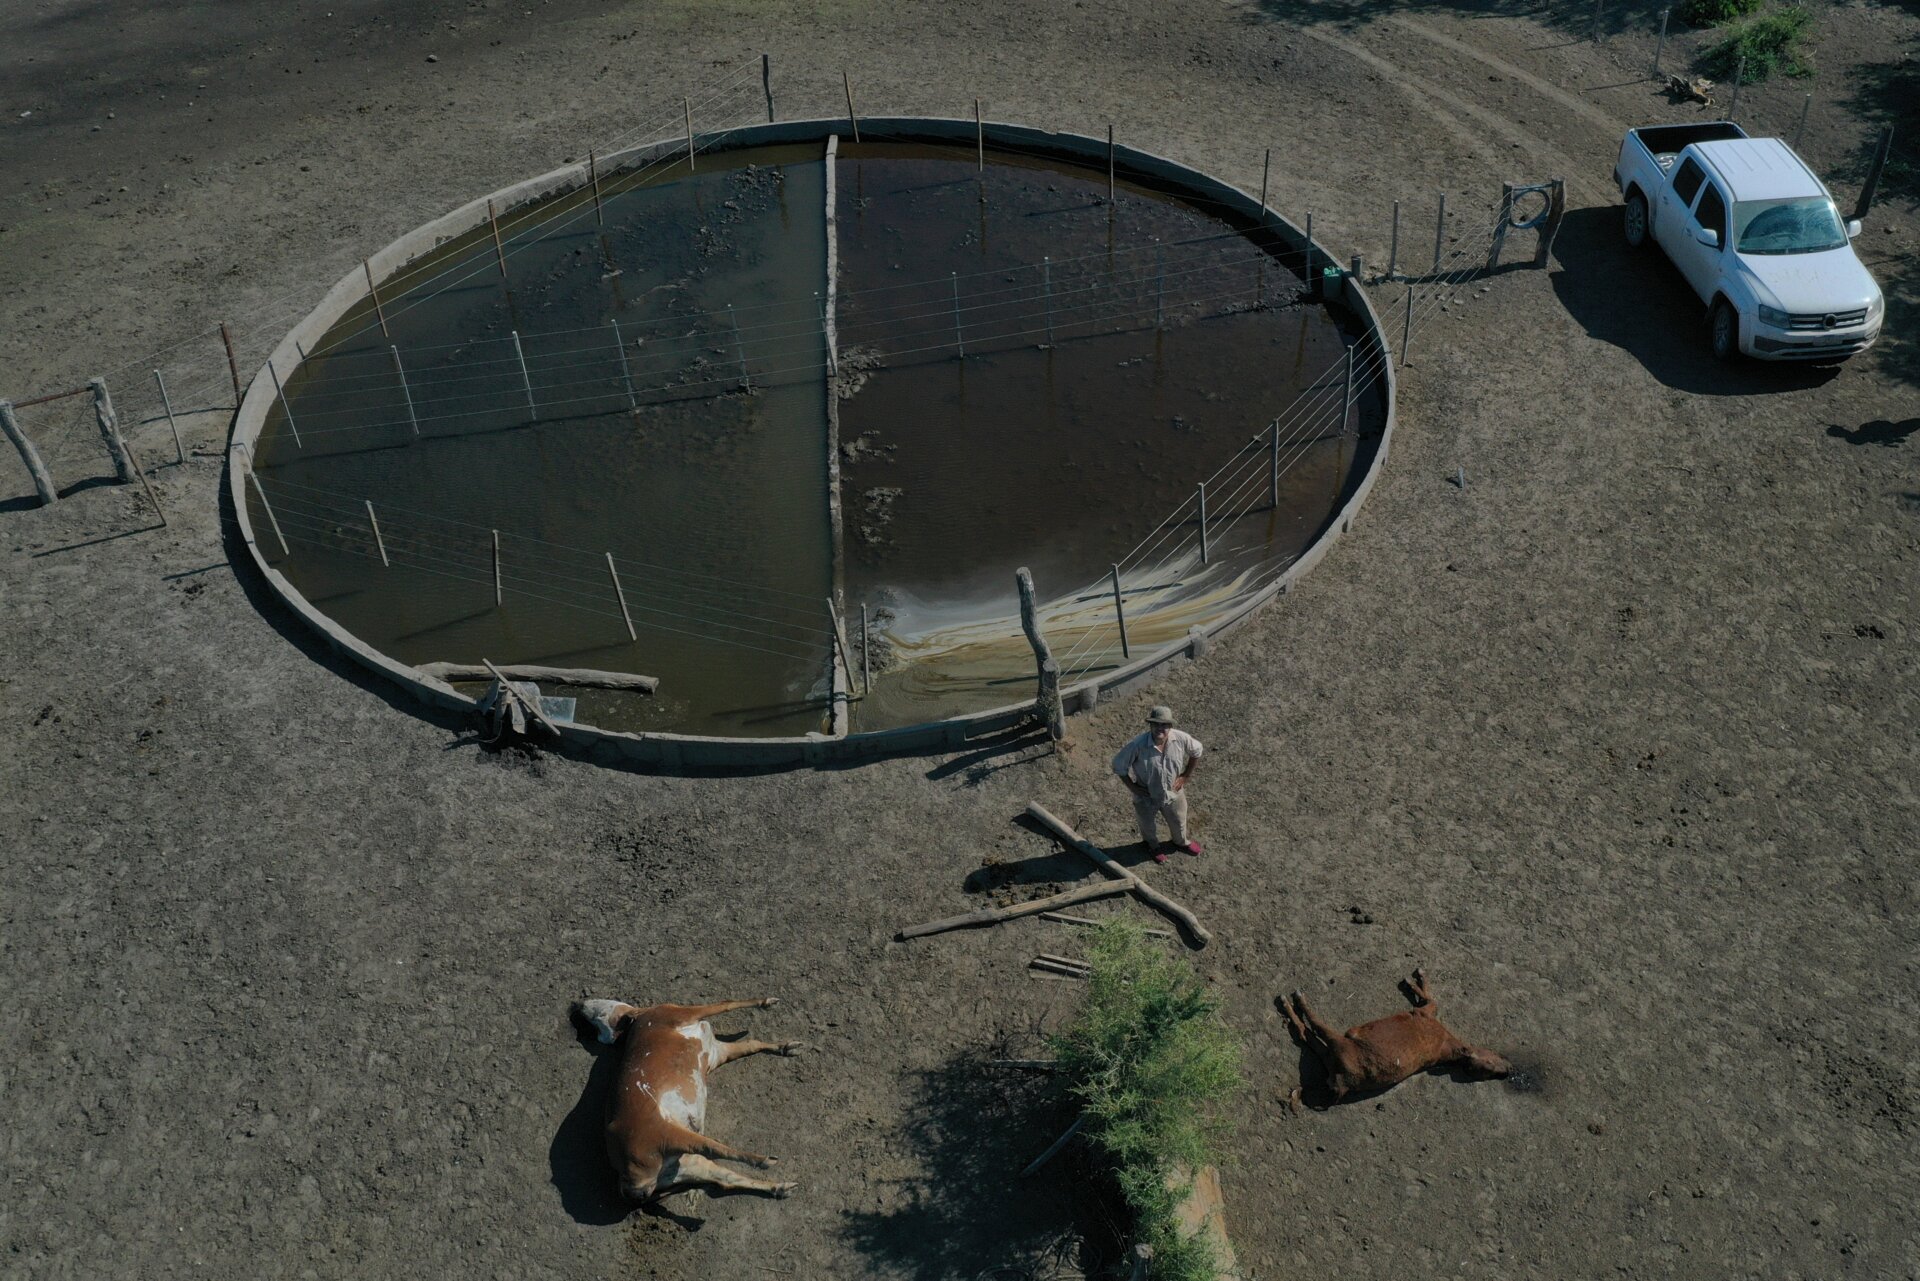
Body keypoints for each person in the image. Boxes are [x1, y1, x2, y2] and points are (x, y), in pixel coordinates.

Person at [1112, 705, 1204, 863]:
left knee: (1179, 820)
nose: (1160, 728)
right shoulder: (1137, 745)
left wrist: (1185, 775)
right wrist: (1132, 787)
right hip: (1146, 795)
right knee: (1147, 824)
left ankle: (1181, 842)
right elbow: (1118, 765)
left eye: (1165, 724)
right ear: (1150, 725)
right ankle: (1152, 846)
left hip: (1173, 792)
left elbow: (1197, 750)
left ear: (1171, 726)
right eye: (1156, 724)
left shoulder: (1181, 739)